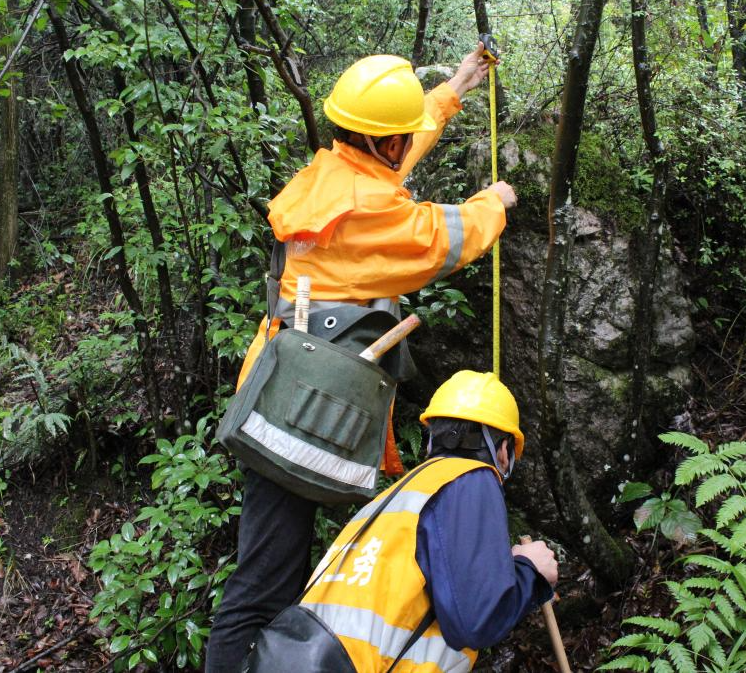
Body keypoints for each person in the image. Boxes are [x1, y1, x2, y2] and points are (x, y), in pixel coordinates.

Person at [206, 46, 519, 672]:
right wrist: (495, 203)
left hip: (283, 389)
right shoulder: (372, 209)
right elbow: (440, 239)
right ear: (383, 144)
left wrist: (454, 87)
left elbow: (394, 157)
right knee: (267, 579)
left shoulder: (331, 175)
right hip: (305, 411)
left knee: (280, 563)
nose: (404, 147)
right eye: (399, 139)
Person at [241, 370, 557, 672]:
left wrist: (502, 568)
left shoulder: (397, 499)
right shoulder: (474, 479)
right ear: (503, 452)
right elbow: (476, 621)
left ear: (432, 440)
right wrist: (531, 572)